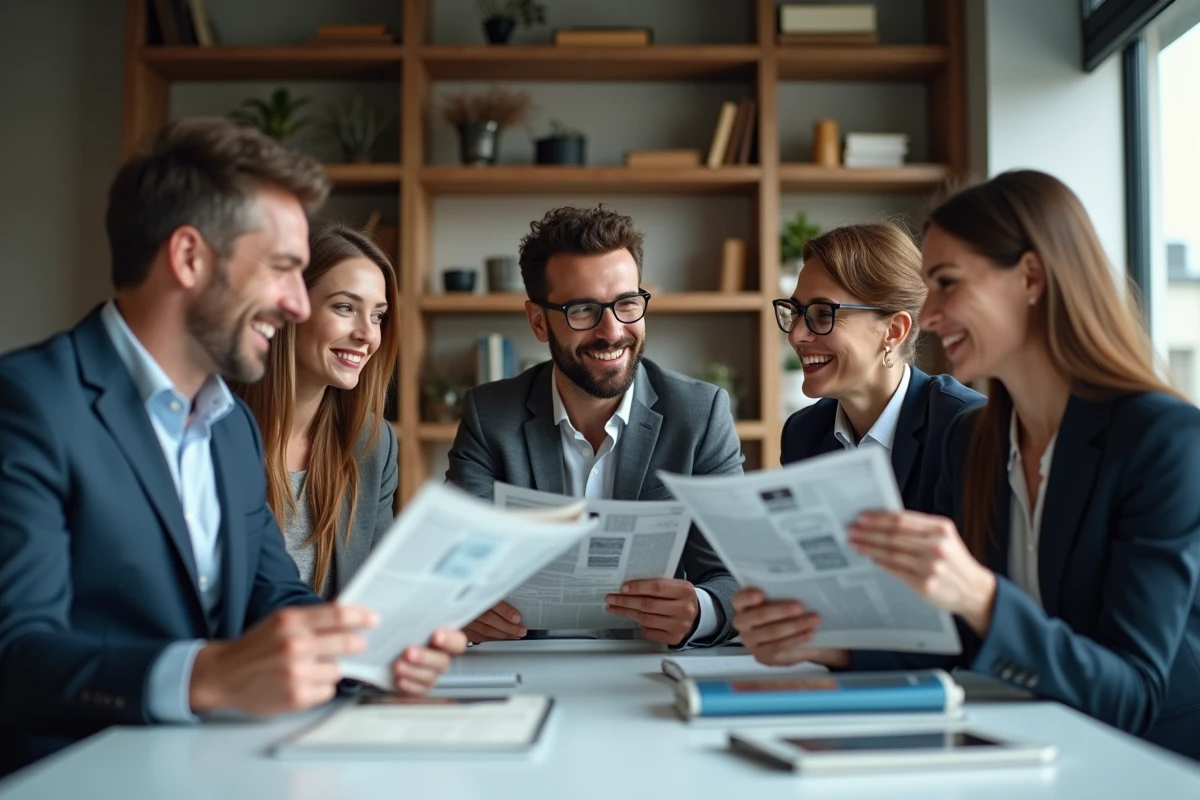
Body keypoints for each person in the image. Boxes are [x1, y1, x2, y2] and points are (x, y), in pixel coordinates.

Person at [0, 119, 465, 775]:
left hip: (220, 766)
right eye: (282, 270)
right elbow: (17, 654)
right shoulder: (28, 403)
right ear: (189, 257)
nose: (299, 305)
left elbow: (273, 594)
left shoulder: (228, 426)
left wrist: (373, 648)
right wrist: (206, 675)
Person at [734, 170, 1200, 761]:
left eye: (948, 284)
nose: (928, 317)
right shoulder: (977, 436)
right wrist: (826, 647)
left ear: (1030, 278)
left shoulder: (1163, 440)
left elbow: (1132, 694)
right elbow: (960, 642)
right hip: (1027, 742)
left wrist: (978, 594)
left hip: (1148, 760)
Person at [447, 205, 744, 647]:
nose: (612, 331)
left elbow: (737, 574)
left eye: (627, 304)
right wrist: (461, 611)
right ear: (537, 321)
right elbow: (450, 568)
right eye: (583, 310)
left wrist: (702, 610)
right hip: (526, 665)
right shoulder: (490, 416)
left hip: (650, 667)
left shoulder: (700, 415)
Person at [733, 224, 984, 658]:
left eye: (823, 314)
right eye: (795, 312)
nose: (796, 335)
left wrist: (835, 651)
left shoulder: (965, 428)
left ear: (894, 330)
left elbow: (968, 623)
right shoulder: (804, 433)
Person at [234, 223, 400, 599]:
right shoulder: (209, 429)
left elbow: (380, 595)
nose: (367, 334)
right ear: (287, 309)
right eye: (345, 307)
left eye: (377, 315)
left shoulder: (373, 444)